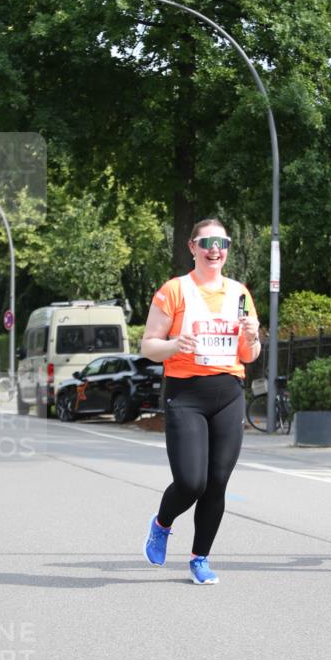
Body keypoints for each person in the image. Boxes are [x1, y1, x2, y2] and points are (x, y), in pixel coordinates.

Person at [140, 219, 260, 585]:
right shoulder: (174, 290)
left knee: (217, 482)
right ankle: (162, 524)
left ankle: (200, 559)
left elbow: (250, 354)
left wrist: (253, 337)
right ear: (193, 247)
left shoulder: (239, 293)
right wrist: (175, 345)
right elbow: (148, 346)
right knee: (192, 482)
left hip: (228, 393)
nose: (215, 250)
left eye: (222, 243)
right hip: (186, 394)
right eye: (207, 243)